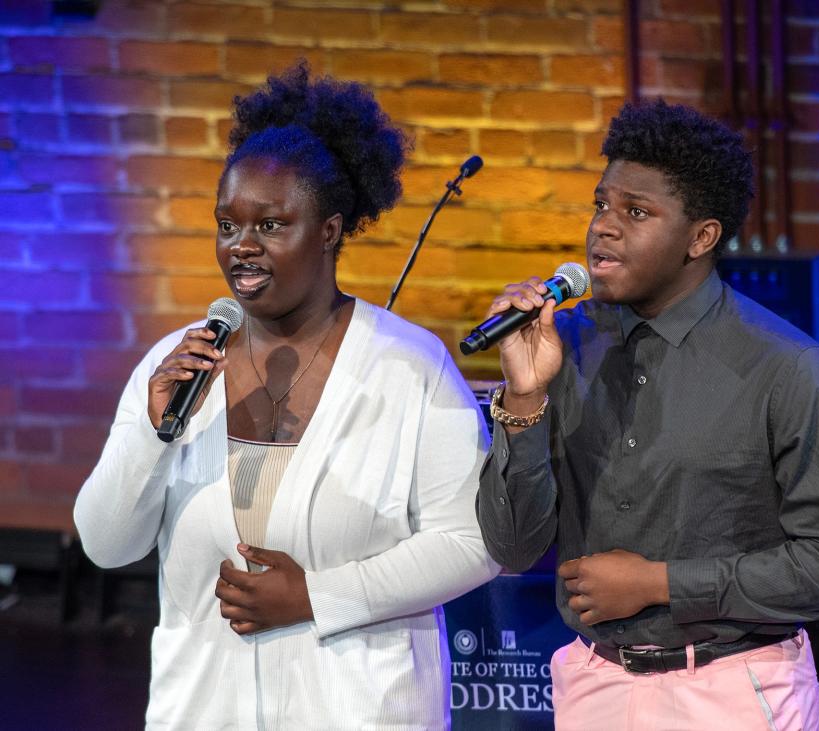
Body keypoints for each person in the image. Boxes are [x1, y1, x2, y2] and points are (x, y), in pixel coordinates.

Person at [74, 63, 500, 730]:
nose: (242, 246)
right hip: (203, 710)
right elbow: (105, 544)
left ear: (328, 230)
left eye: (270, 226)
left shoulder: (410, 366)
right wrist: (149, 437)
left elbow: (474, 541)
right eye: (227, 225)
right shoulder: (175, 366)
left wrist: (317, 597)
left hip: (357, 710)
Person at [476, 99, 819, 730]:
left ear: (701, 237)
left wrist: (663, 584)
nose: (603, 228)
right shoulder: (568, 347)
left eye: (636, 212)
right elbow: (511, 544)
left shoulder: (786, 368)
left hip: (732, 690)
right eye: (601, 204)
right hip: (595, 682)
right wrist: (525, 400)